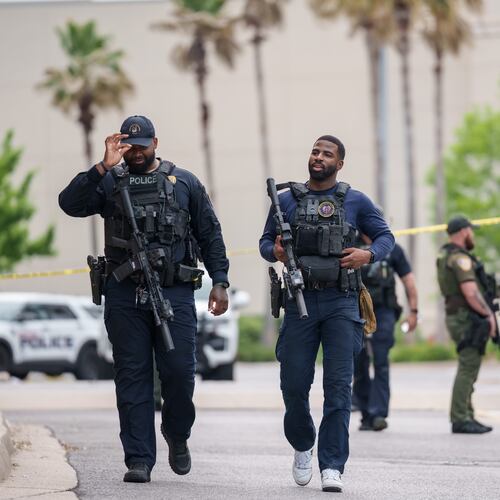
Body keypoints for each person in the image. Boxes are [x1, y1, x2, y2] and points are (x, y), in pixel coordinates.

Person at [59, 115, 230, 482]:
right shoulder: (109, 181)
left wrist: (221, 281)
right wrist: (102, 165)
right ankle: (139, 459)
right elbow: (69, 204)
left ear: (156, 143)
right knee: (132, 378)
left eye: (142, 145)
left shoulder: (183, 182)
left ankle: (177, 433)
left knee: (180, 375)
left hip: (175, 292)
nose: (135, 152)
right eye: (128, 146)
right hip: (124, 292)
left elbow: (210, 232)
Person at [259, 135, 394, 493]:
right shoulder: (285, 199)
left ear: (340, 163)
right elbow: (264, 243)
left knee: (337, 390)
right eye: (315, 151)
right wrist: (273, 250)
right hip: (299, 303)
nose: (319, 157)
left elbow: (385, 238)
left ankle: (332, 465)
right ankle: (303, 444)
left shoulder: (356, 201)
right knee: (293, 385)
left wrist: (369, 255)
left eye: (327, 154)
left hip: (341, 302)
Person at [436, 215, 497, 434]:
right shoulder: (460, 259)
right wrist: (489, 315)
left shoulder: (448, 255)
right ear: (463, 231)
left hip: (461, 316)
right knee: (468, 365)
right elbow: (471, 292)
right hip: (465, 317)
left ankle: (467, 414)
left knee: (470, 366)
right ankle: (460, 417)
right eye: (471, 230)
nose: (473, 234)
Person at [352, 233, 418, 432]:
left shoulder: (391, 249)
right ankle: (366, 414)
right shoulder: (350, 245)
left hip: (384, 311)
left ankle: (378, 413)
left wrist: (414, 311)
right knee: (359, 361)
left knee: (381, 361)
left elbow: (408, 281)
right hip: (356, 310)